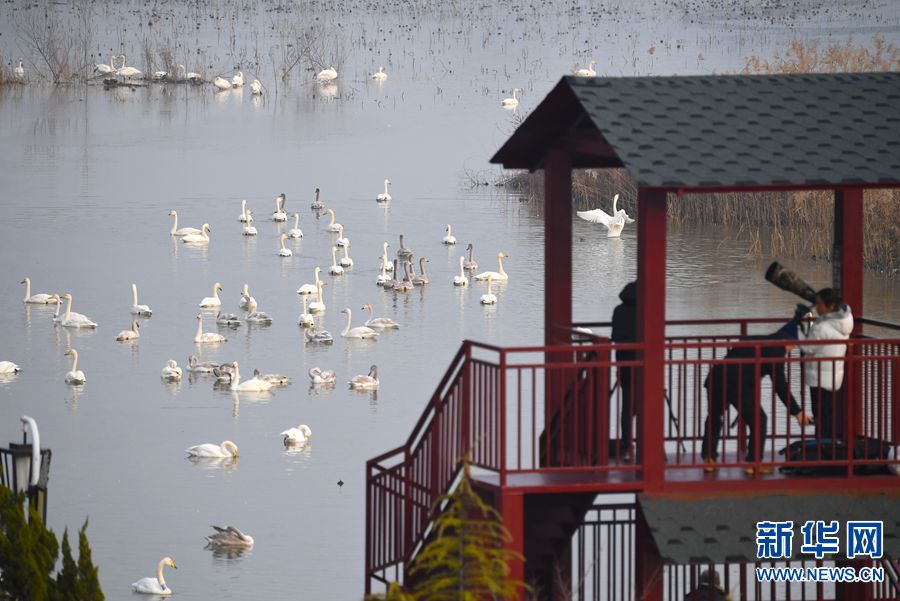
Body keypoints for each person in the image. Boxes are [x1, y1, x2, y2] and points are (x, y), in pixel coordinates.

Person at [701, 321, 812, 475]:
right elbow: (780, 385)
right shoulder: (776, 351)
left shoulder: (757, 340)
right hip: (737, 384)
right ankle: (753, 463)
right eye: (792, 346)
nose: (790, 350)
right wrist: (797, 411)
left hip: (716, 379)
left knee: (714, 417)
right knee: (759, 420)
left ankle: (709, 459)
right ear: (787, 341)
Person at [797, 288, 853, 442]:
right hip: (833, 374)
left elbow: (808, 348)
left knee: (820, 413)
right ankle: (829, 445)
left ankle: (823, 447)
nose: (817, 308)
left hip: (819, 375)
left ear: (831, 306)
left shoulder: (823, 326)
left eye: (820, 304)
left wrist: (797, 329)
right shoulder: (843, 321)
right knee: (828, 411)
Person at [611, 281, 637, 459]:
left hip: (624, 366)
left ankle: (627, 446)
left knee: (627, 409)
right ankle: (647, 447)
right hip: (645, 366)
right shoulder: (643, 311)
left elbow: (614, 336)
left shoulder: (618, 311)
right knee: (645, 406)